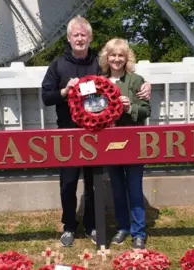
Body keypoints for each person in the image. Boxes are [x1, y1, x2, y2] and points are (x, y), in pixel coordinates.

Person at [41, 16, 152, 248]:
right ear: (69, 38)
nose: (80, 39)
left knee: (94, 183)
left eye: (84, 35)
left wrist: (146, 86)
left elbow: (121, 77)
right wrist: (64, 91)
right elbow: (46, 97)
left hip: (97, 135)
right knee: (68, 183)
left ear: (90, 38)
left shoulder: (97, 66)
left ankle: (92, 225)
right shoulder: (57, 65)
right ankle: (69, 226)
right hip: (69, 134)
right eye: (76, 35)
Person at [98, 38, 151, 249]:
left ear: (126, 58)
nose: (117, 59)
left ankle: (139, 232)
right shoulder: (99, 82)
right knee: (117, 188)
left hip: (133, 141)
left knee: (135, 188)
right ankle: (123, 227)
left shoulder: (137, 81)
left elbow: (147, 111)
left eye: (121, 55)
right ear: (107, 58)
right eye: (113, 55)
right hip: (109, 142)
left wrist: (130, 108)